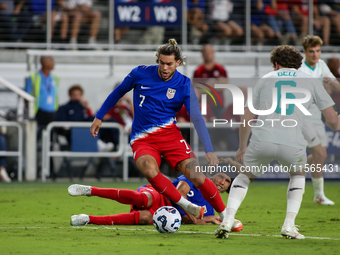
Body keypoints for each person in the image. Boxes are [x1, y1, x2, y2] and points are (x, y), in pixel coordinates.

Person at [90, 39, 229, 229]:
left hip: (170, 136)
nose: (164, 67)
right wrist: (99, 116)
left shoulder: (184, 84)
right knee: (149, 169)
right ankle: (185, 204)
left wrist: (209, 150)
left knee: (197, 176)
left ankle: (227, 216)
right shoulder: (140, 73)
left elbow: (196, 118)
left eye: (169, 64)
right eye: (162, 63)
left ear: (178, 63)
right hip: (142, 138)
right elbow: (118, 91)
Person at [215, 45, 340, 239]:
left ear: (276, 64)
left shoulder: (264, 79)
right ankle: (288, 225)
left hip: (261, 139)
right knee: (297, 175)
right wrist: (336, 123)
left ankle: (228, 220)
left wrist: (242, 147)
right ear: (298, 65)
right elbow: (332, 121)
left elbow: (247, 117)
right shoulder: (310, 81)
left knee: (244, 176)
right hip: (292, 142)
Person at [68, 169, 242, 230]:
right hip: (160, 194)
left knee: (146, 218)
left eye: (227, 182)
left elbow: (186, 219)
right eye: (222, 177)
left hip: (166, 213)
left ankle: (88, 219)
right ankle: (91, 190)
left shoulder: (212, 207)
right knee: (144, 200)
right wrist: (197, 217)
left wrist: (204, 220)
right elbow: (178, 193)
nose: (223, 182)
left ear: (227, 189)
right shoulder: (197, 178)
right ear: (213, 176)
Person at [299, 35, 340, 205]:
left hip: (317, 116)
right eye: (311, 51)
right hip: (302, 116)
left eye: (318, 51)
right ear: (305, 52)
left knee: (320, 157)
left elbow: (334, 84)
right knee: (320, 153)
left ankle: (298, 170)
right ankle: (319, 196)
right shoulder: (300, 68)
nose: (315, 54)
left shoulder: (322, 65)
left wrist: (332, 82)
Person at [56, 84, 113, 152]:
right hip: (72, 134)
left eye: (78, 95)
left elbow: (91, 119)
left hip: (86, 132)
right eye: (74, 95)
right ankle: (98, 144)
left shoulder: (83, 107)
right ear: (70, 95)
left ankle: (99, 143)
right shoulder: (64, 108)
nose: (76, 97)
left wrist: (87, 107)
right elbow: (62, 123)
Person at [25, 56, 59, 135]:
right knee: (38, 136)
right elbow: (26, 96)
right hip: (38, 113)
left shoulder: (55, 78)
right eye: (52, 60)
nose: (54, 63)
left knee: (52, 136)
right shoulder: (34, 78)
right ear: (45, 63)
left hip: (52, 112)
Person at [193, 44, 228, 118]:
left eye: (210, 52)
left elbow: (224, 85)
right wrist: (215, 84)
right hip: (204, 106)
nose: (208, 55)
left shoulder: (220, 69)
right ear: (202, 54)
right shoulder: (198, 70)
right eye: (206, 52)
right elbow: (197, 88)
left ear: (213, 53)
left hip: (218, 105)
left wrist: (206, 86)